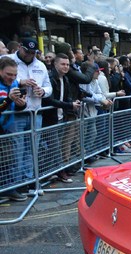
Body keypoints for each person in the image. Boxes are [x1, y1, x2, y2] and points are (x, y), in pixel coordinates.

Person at [8, 37, 52, 183]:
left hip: (35, 112)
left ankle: (28, 180)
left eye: (33, 53)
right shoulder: (7, 60)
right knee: (17, 151)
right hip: (16, 113)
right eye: (27, 52)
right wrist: (20, 82)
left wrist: (43, 91)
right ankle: (16, 183)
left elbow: (49, 87)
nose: (29, 55)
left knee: (32, 149)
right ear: (20, 47)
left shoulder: (40, 65)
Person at [41, 53, 82, 183]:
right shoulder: (50, 78)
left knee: (54, 148)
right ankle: (61, 171)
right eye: (63, 64)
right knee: (55, 146)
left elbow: (67, 96)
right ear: (55, 64)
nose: (65, 67)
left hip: (60, 116)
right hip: (49, 118)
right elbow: (50, 100)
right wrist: (69, 104)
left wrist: (72, 103)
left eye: (68, 65)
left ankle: (45, 172)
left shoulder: (65, 79)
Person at [0, 56, 28, 201]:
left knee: (8, 160)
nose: (12, 78)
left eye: (15, 75)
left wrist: (21, 104)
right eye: (8, 74)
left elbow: (18, 108)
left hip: (7, 128)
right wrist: (9, 99)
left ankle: (9, 189)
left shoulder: (15, 83)